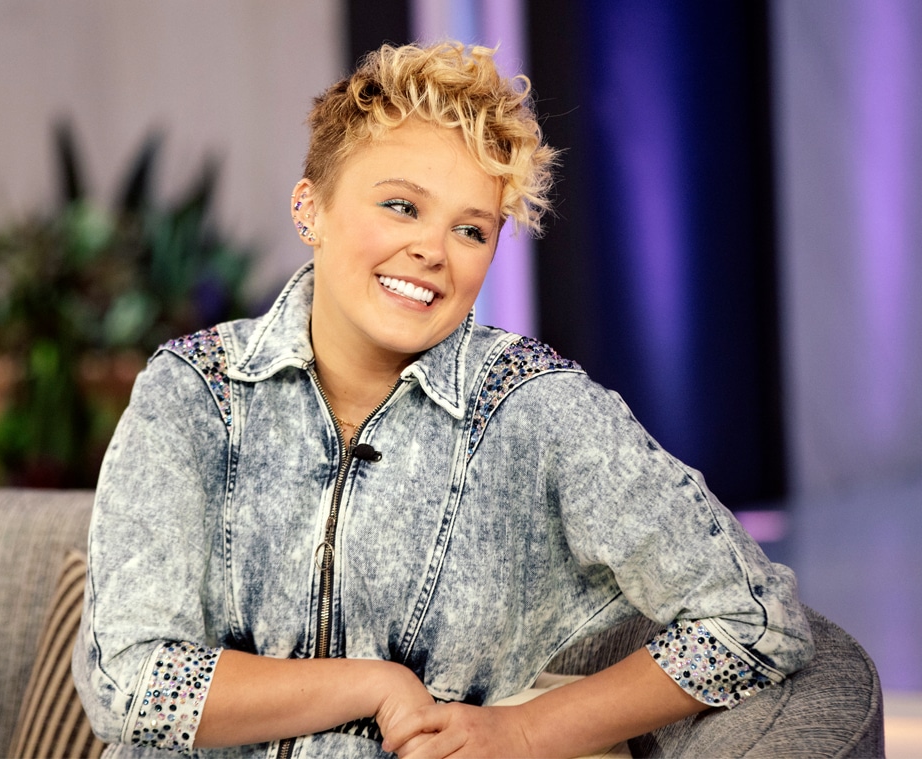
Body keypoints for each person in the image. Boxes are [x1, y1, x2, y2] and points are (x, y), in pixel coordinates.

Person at [73, 41, 814, 758]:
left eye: (470, 230)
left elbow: (756, 620)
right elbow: (126, 682)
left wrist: (526, 733)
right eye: (402, 206)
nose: (433, 250)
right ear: (310, 209)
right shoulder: (194, 389)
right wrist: (373, 685)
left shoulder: (536, 407)